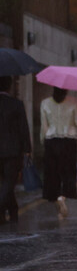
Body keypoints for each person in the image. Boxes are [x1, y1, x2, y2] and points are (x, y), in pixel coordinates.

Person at [40, 86, 77, 218]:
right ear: (66, 91)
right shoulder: (73, 102)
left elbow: (44, 126)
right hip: (69, 142)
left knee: (53, 172)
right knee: (68, 171)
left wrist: (43, 141)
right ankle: (63, 197)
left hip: (51, 141)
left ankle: (56, 196)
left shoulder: (45, 103)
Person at [0, 76, 31, 224]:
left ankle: (12, 211)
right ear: (9, 86)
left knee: (5, 183)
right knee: (9, 183)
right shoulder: (16, 104)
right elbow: (23, 129)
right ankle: (7, 209)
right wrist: (27, 149)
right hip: (12, 151)